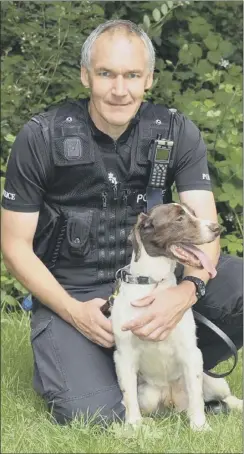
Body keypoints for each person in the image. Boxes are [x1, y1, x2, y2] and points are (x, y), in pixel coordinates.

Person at [1, 19, 242, 426]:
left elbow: (205, 230)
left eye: (132, 75)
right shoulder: (41, 137)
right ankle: (84, 368)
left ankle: (175, 370)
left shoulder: (175, 132)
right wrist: (73, 311)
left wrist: (185, 291)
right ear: (85, 75)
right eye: (106, 74)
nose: (119, 89)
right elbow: (14, 246)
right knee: (91, 413)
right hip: (75, 295)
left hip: (157, 283)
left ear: (148, 78)